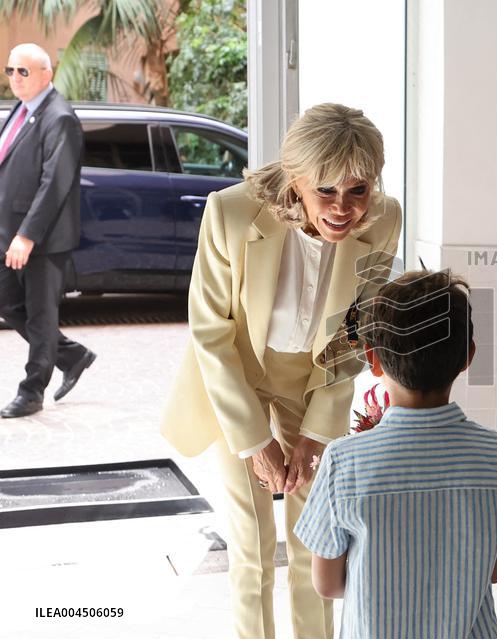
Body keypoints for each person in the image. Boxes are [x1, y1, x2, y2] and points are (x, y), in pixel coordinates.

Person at [161, 103, 402, 639]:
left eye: (358, 190)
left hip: (315, 382)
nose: (343, 208)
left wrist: (316, 433)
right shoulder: (230, 213)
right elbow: (211, 332)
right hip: (237, 378)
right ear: (296, 179)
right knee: (250, 544)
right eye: (326, 190)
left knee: (314, 540)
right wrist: (254, 441)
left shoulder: (385, 220)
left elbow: (354, 331)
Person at [295, 269, 497, 639]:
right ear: (467, 357)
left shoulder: (345, 461)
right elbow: (495, 571)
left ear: (372, 359)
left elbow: (327, 584)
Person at [0, 43, 96, 419]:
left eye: (23, 71)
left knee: (41, 316)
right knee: (7, 302)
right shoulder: (21, 110)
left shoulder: (60, 117)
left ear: (47, 74)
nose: (15, 78)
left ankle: (31, 392)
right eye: (10, 70)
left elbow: (54, 183)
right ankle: (71, 355)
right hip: (10, 233)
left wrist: (27, 235)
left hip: (42, 239)